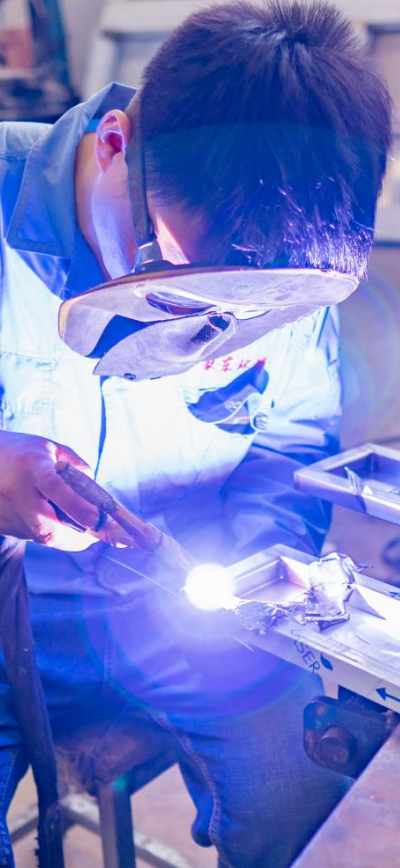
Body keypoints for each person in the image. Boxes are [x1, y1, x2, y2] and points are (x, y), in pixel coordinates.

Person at [0, 1, 392, 866]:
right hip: (8, 623)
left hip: (186, 617)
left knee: (322, 801)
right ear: (115, 146)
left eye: (251, 317)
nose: (212, 340)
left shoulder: (283, 264)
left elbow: (288, 446)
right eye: (183, 291)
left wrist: (248, 578)